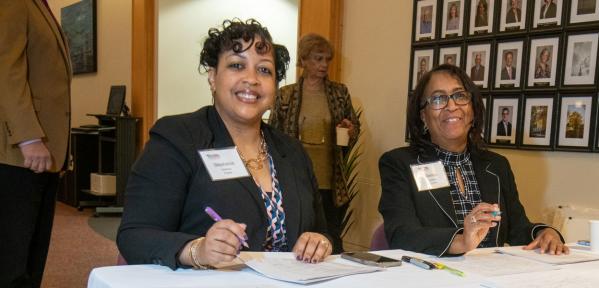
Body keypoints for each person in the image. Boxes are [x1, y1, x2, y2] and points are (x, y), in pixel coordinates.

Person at [117, 19, 332, 270]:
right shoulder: (177, 138)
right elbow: (134, 235)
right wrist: (197, 250)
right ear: (213, 78)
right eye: (237, 65)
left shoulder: (293, 152)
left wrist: (319, 241)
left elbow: (323, 232)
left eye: (264, 70)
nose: (251, 79)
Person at [378, 64, 567, 256]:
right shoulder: (399, 163)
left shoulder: (496, 165)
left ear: (473, 109)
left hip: (490, 276)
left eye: (460, 96)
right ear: (423, 116)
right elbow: (402, 234)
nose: (451, 107)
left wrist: (544, 233)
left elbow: (517, 229)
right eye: (438, 99)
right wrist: (461, 241)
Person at [0, 1, 71, 287]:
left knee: (33, 254)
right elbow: (6, 71)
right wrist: (28, 137)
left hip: (45, 151)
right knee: (12, 259)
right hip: (19, 154)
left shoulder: (38, 5)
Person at [270, 33, 359, 254]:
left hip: (330, 178)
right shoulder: (286, 95)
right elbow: (271, 133)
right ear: (304, 60)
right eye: (318, 59)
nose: (323, 65)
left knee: (330, 235)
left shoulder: (339, 93)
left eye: (327, 59)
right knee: (297, 231)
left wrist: (350, 129)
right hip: (294, 176)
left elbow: (353, 129)